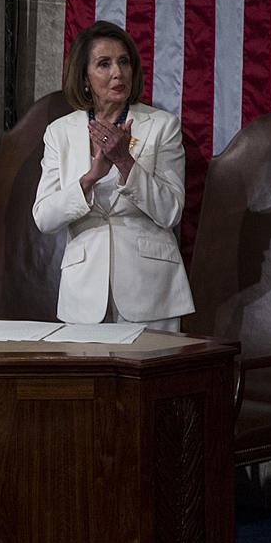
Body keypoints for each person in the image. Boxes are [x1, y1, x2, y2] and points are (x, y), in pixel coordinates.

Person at [32, 21, 194, 330]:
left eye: (124, 61)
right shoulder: (60, 133)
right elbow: (44, 217)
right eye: (104, 64)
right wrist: (89, 179)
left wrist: (125, 163)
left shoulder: (162, 126)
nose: (118, 72)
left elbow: (170, 211)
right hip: (83, 295)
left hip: (150, 291)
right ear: (84, 77)